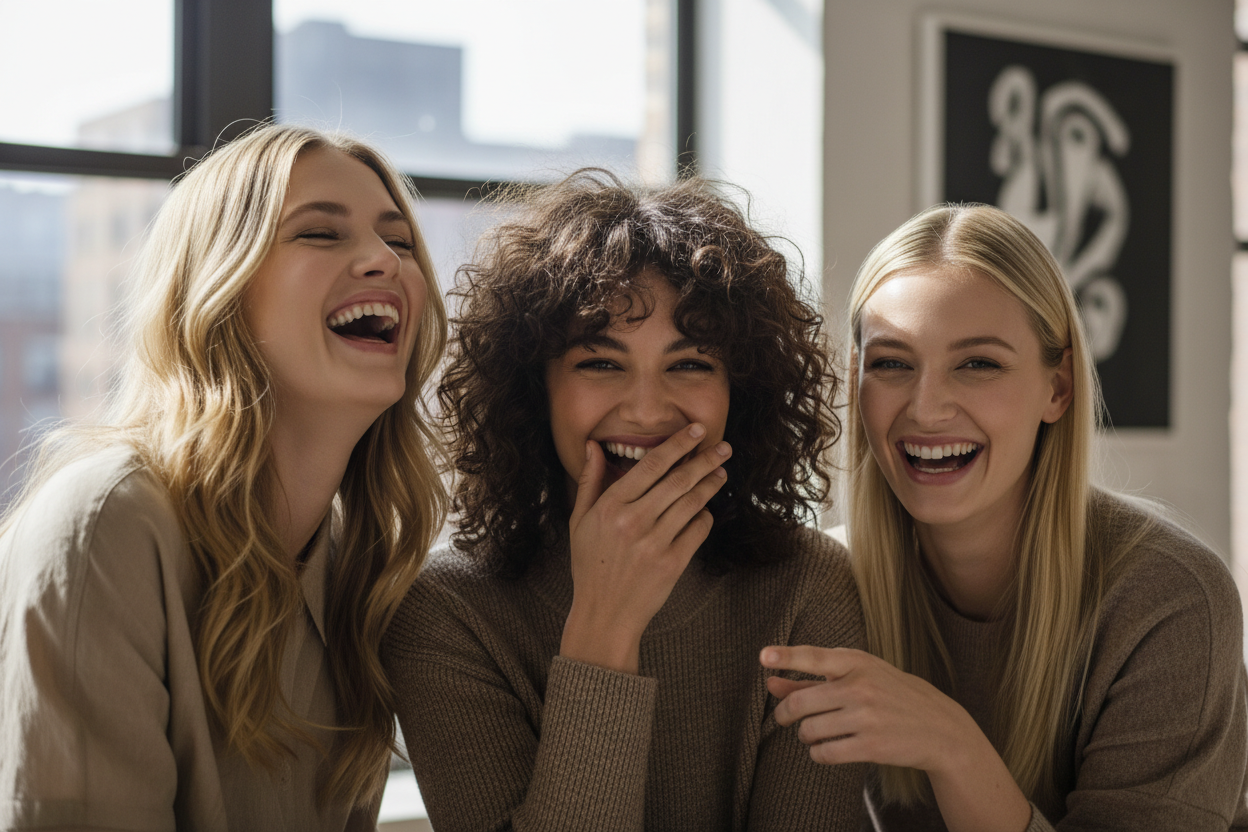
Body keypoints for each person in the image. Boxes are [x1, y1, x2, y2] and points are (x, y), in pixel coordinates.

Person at [382, 169, 865, 830]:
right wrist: (606, 625)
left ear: (740, 391)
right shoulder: (448, 609)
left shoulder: (809, 585)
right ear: (535, 389)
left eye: (691, 363)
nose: (644, 408)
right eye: (600, 363)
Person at [0, 123, 448, 830]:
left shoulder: (357, 571)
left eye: (398, 241)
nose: (384, 262)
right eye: (321, 234)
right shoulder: (105, 524)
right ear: (220, 289)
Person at [761, 203, 1248, 830]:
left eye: (978, 363)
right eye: (891, 364)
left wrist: (953, 749)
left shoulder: (1169, 600)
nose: (927, 408)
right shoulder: (825, 590)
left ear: (1058, 388)